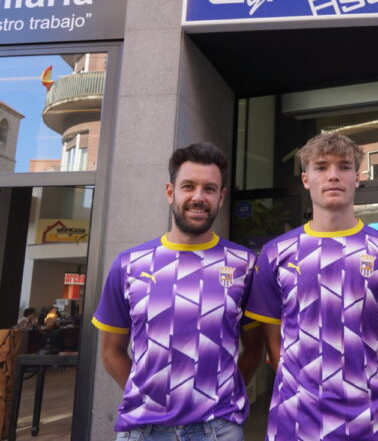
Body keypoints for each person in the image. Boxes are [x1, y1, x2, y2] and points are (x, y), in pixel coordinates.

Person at [245, 132, 378, 440]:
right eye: (321, 167)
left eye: (344, 166)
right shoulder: (275, 253)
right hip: (295, 426)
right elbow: (276, 348)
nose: (333, 176)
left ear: (357, 177)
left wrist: (363, 389)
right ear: (305, 179)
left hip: (373, 425)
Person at [92, 142, 263, 441]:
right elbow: (110, 352)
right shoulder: (129, 264)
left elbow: (255, 348)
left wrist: (223, 394)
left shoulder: (245, 265)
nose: (198, 197)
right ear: (170, 192)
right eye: (188, 186)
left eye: (209, 189)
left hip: (217, 429)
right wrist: (147, 396)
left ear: (221, 197)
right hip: (142, 430)